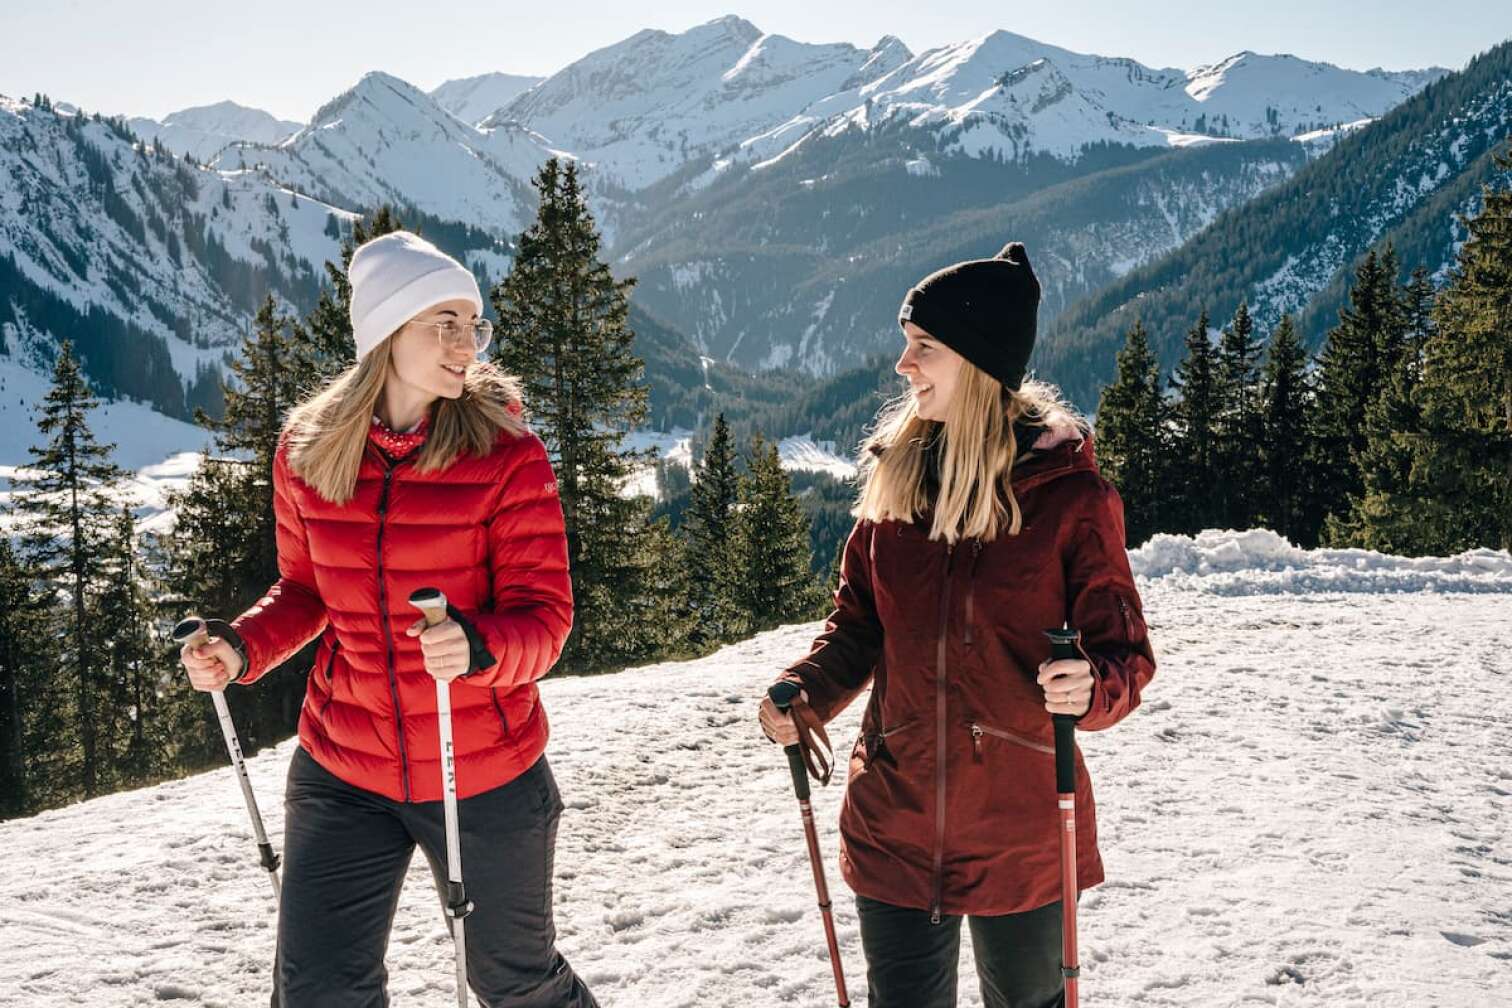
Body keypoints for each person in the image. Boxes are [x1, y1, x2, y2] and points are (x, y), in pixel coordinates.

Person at [179, 230, 598, 1008]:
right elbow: (306, 591)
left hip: (480, 767)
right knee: (317, 991)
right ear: (385, 333)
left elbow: (546, 621)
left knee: (515, 983)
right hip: (345, 763)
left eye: (473, 323)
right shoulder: (308, 450)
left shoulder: (507, 454)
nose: (466, 342)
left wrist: (475, 646)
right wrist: (240, 650)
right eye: (443, 322)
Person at [758, 242, 1156, 1008]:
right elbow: (859, 626)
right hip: (894, 824)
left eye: (923, 348)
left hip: (1023, 831)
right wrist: (801, 691)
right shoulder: (899, 483)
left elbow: (1125, 656)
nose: (903, 366)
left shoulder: (1071, 502)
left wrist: (1092, 686)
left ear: (977, 363)